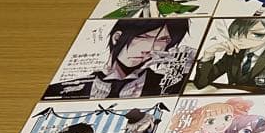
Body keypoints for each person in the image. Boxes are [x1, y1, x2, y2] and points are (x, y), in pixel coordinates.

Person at [45, 19, 192, 100]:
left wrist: (193, 69)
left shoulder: (170, 85)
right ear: (117, 38)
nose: (150, 48)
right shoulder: (61, 90)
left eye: (163, 40)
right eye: (143, 37)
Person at [190, 18, 265, 93]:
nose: (241, 39)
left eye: (255, 34)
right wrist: (208, 55)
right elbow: (201, 83)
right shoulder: (234, 52)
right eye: (236, 33)